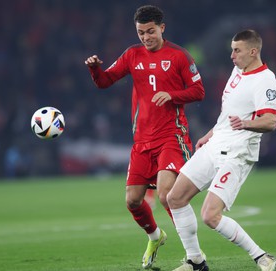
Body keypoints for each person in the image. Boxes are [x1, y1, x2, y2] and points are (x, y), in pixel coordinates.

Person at [84, 5, 205, 269]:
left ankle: (194, 257)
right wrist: (95, 69)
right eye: (141, 32)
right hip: (142, 141)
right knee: (132, 200)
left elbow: (198, 90)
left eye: (150, 31)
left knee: (165, 194)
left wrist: (172, 95)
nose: (146, 37)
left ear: (162, 28)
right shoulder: (132, 55)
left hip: (171, 136)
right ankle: (155, 236)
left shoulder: (179, 56)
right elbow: (104, 82)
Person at [167, 29, 276, 271]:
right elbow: (228, 112)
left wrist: (246, 123)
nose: (232, 55)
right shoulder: (238, 70)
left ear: (253, 51)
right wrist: (210, 134)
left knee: (210, 216)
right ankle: (195, 261)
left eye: (237, 50)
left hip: (237, 152)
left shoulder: (265, 80)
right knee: (174, 198)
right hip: (216, 143)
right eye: (232, 49)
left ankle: (262, 257)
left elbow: (270, 121)